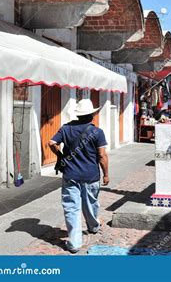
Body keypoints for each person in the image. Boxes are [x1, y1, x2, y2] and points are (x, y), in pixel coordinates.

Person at [49, 99, 109, 253]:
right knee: (91, 203)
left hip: (70, 175)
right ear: (92, 115)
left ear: (78, 115)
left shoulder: (66, 128)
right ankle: (93, 226)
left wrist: (60, 155)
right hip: (91, 175)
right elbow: (102, 156)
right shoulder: (97, 132)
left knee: (71, 208)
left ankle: (75, 242)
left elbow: (51, 143)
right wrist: (106, 174)